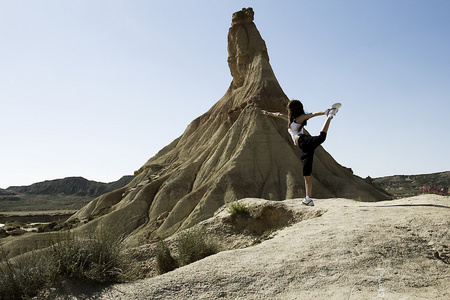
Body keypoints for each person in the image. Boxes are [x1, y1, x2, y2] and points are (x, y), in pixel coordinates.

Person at [262, 100, 340, 206]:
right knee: (306, 174)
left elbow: (311, 115)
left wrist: (325, 112)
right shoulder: (292, 120)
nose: (288, 110)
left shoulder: (299, 119)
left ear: (293, 109)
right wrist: (268, 113)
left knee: (321, 138)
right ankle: (308, 199)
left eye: (289, 108)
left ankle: (330, 115)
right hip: (304, 147)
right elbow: (279, 115)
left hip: (303, 141)